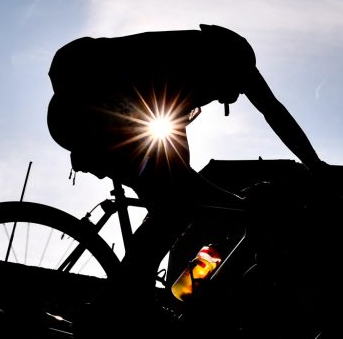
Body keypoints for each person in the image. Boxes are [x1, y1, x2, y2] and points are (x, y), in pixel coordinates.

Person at [46, 24, 326, 292]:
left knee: (173, 206)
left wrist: (315, 164)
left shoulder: (209, 64)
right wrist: (239, 206)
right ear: (220, 66)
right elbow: (180, 174)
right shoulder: (175, 74)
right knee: (174, 206)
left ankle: (132, 293)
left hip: (96, 106)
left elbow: (273, 111)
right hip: (83, 114)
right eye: (234, 88)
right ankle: (119, 302)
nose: (234, 96)